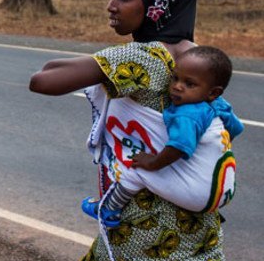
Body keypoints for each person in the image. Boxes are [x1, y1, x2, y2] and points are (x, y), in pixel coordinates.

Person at [30, 0, 237, 261]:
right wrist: (106, 61)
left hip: (145, 227)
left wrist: (109, 59)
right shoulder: (196, 58)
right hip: (190, 227)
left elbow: (42, 80)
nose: (111, 6)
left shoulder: (144, 58)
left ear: (157, 7)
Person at [81, 45, 244, 228]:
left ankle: (109, 209)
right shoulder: (221, 106)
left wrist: (152, 162)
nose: (177, 87)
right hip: (223, 190)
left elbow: (179, 146)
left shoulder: (187, 115)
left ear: (213, 92)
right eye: (175, 78)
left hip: (199, 195)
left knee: (134, 166)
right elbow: (236, 128)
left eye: (189, 84)